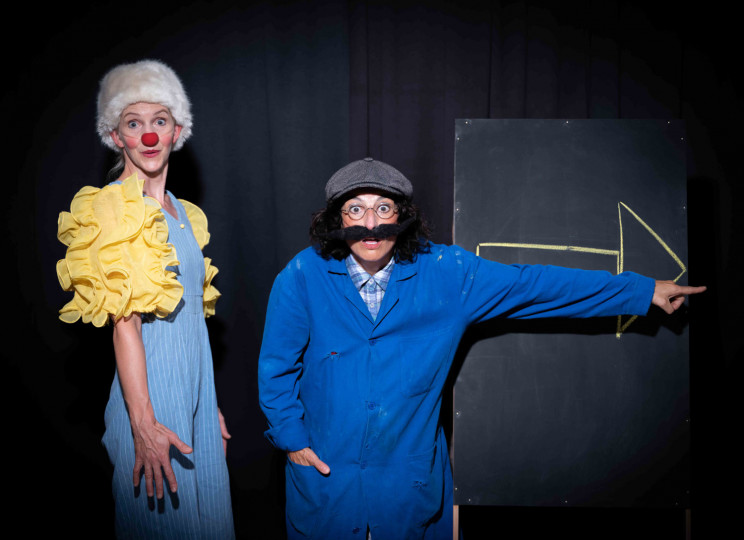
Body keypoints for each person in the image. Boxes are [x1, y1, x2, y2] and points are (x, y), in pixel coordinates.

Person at [257, 157, 705, 539]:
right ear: (337, 220)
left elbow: (536, 286)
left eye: (383, 207)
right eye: (356, 209)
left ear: (403, 215)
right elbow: (276, 368)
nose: (371, 223)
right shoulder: (302, 276)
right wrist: (292, 440)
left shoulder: (448, 273)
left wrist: (641, 291)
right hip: (326, 482)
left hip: (407, 484)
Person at [56, 60, 234, 539]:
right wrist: (144, 425)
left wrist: (209, 405)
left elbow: (191, 321)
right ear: (116, 136)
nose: (149, 135)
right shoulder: (113, 208)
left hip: (195, 402)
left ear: (177, 130)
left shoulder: (184, 213)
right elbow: (125, 326)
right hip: (151, 404)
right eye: (134, 123)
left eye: (160, 120)